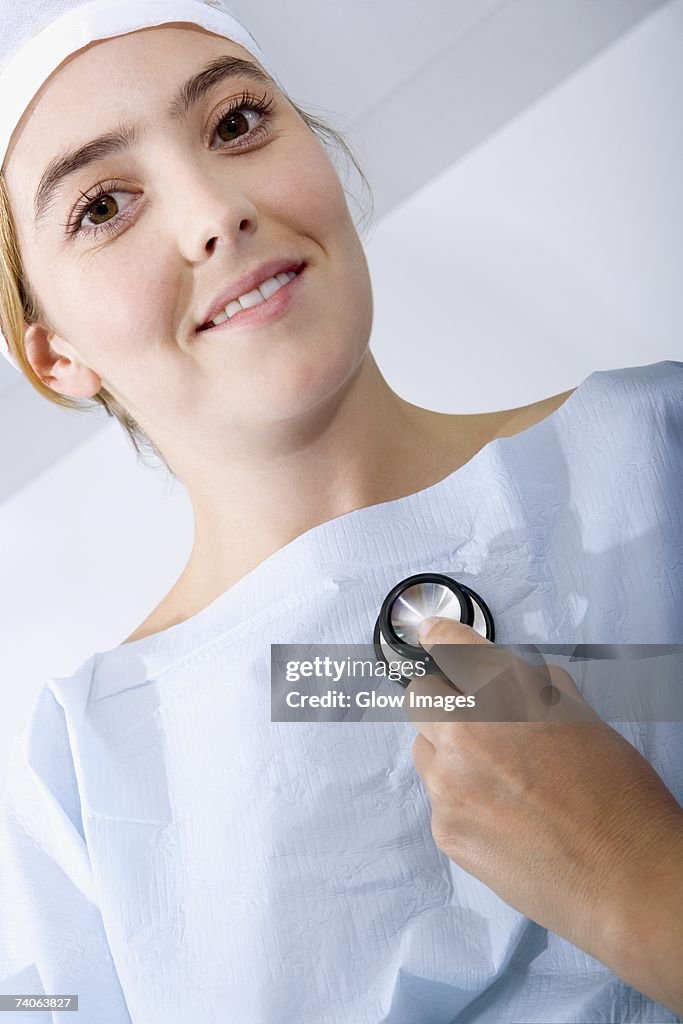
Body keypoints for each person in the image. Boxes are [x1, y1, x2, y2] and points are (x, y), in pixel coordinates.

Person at [0, 2, 681, 1021]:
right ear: (55, 352)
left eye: (235, 123)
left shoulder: (656, 447)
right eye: (101, 205)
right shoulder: (87, 767)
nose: (211, 212)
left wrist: (638, 880)